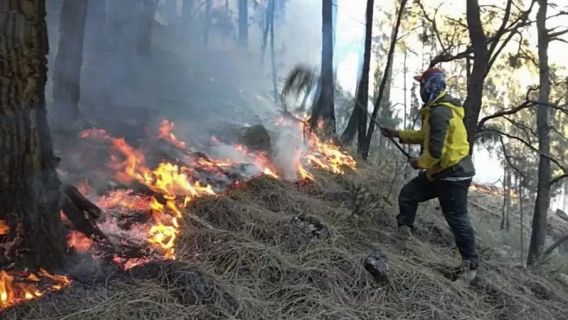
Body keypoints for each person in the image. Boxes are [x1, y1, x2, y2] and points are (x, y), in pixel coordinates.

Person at [381, 67, 479, 282]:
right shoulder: (435, 109)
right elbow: (425, 136)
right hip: (440, 171)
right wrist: (397, 134)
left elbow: (435, 151)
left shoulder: (440, 111)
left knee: (457, 219)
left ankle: (470, 268)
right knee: (409, 193)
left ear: (430, 86)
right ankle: (403, 234)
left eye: (421, 85)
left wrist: (418, 163)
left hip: (453, 174)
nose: (420, 90)